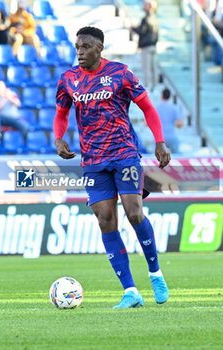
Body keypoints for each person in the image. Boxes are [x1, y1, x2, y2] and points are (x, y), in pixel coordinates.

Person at [53, 26, 170, 309]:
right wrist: (58, 138)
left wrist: (160, 142)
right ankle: (131, 291)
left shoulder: (120, 73)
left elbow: (148, 108)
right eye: (77, 47)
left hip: (125, 154)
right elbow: (61, 113)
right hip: (93, 161)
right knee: (106, 220)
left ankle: (155, 273)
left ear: (100, 48)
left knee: (134, 212)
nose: (80, 52)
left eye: (86, 46)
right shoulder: (69, 79)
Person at [131, 0, 159, 90]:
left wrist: (132, 28)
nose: (143, 6)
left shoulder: (146, 19)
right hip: (153, 46)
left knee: (146, 68)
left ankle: (148, 86)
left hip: (146, 47)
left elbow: (141, 31)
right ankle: (154, 86)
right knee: (154, 68)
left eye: (145, 4)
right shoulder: (156, 18)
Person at [154, 88, 184, 153]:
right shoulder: (174, 107)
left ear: (161, 95)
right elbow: (179, 124)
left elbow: (147, 123)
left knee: (157, 158)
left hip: (159, 137)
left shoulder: (156, 107)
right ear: (170, 96)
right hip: (171, 136)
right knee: (177, 156)